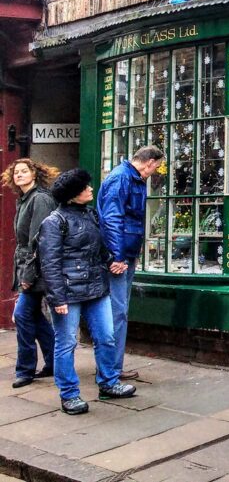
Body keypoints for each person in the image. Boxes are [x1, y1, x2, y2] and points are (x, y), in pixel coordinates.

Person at [40, 169, 136, 415]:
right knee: (66, 343)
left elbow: (98, 248)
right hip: (68, 293)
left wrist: (113, 260)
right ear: (73, 195)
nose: (91, 190)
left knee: (106, 337)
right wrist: (57, 298)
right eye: (85, 187)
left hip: (96, 288)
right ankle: (69, 395)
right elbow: (49, 263)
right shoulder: (54, 222)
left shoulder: (91, 214)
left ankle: (108, 382)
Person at [97, 146, 164, 380]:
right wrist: (117, 256)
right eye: (156, 166)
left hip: (126, 253)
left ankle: (112, 367)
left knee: (118, 312)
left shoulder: (131, 178)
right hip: (120, 256)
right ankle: (110, 371)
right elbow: (112, 218)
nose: (155, 171)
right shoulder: (121, 178)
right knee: (117, 313)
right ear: (149, 162)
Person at [3, 159, 59, 388]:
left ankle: (25, 370)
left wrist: (27, 276)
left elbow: (39, 240)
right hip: (28, 265)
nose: (19, 175)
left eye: (24, 171)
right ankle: (54, 361)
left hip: (36, 269)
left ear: (35, 174)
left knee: (24, 316)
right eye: (16, 172)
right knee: (34, 315)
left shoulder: (40, 199)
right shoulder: (25, 199)